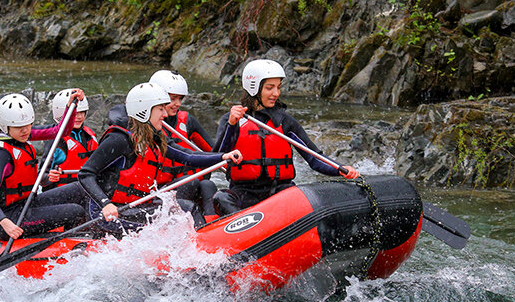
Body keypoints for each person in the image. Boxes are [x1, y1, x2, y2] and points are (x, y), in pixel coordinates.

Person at [78, 82, 242, 232]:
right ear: (145, 110)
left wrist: (223, 156)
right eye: (160, 109)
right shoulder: (119, 140)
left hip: (134, 207)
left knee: (185, 207)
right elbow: (85, 174)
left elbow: (188, 156)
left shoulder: (154, 138)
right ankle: (203, 246)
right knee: (186, 210)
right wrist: (105, 204)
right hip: (107, 214)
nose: (165, 114)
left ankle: (206, 241)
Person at [213, 59, 360, 215]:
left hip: (280, 193)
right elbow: (218, 157)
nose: (276, 93)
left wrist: (339, 169)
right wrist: (231, 125)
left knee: (302, 194)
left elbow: (314, 158)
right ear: (254, 88)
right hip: (244, 194)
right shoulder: (233, 120)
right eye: (270, 88)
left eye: (278, 87)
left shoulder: (285, 121)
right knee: (220, 197)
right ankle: (244, 229)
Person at [0, 91, 88, 241]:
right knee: (74, 211)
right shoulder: (1, 154)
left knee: (80, 188)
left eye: (28, 125)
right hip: (10, 219)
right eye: (19, 127)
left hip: (27, 204)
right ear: (6, 126)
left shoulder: (21, 134)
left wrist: (71, 106)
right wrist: (4, 222)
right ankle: (69, 246)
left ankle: (80, 237)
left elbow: (61, 131)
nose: (25, 131)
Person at [149, 69, 218, 218]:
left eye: (180, 99)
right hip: (158, 193)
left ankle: (212, 223)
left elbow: (214, 151)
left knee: (207, 185)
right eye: (173, 99)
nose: (177, 104)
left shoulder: (187, 121)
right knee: (190, 182)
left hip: (187, 185)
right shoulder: (147, 126)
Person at [41, 88, 98, 188]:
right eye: (75, 113)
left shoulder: (89, 135)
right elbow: (41, 177)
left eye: (82, 112)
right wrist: (49, 178)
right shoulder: (56, 139)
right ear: (61, 113)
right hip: (62, 192)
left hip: (87, 188)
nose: (79, 117)